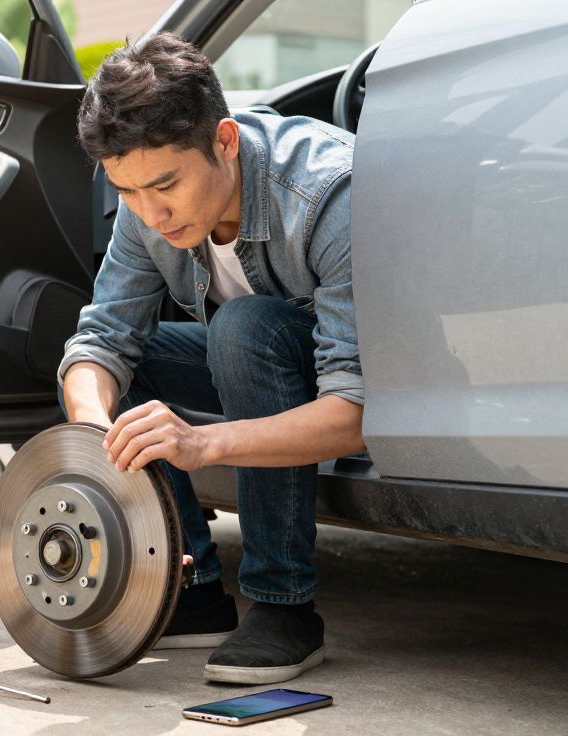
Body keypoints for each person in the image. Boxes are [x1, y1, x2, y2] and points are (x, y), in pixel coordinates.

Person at [57, 33, 365, 685]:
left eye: (165, 185)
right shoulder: (146, 206)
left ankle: (283, 605)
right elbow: (102, 340)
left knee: (244, 326)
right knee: (121, 369)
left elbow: (355, 412)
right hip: (253, 371)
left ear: (224, 140)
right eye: (128, 192)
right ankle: (189, 589)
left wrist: (203, 445)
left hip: (328, 382)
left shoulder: (328, 194)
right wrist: (93, 435)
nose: (151, 213)